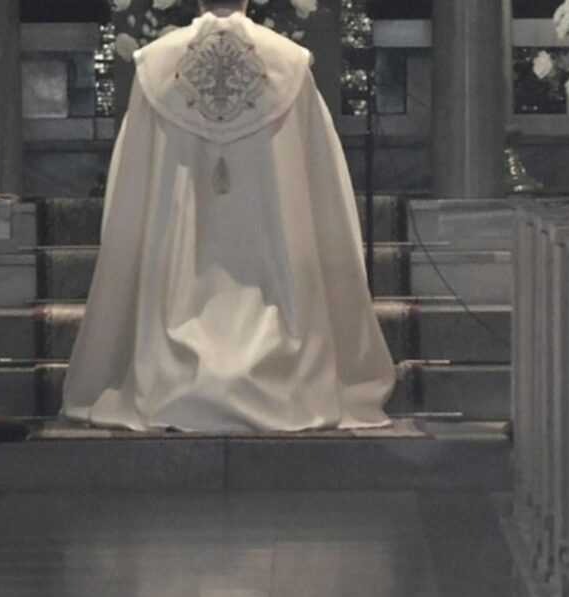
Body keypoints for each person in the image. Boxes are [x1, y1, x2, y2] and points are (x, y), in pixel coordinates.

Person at [60, 0, 396, 432]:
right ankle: (279, 373)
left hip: (174, 286)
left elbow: (134, 189)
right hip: (275, 274)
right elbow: (318, 182)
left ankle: (175, 377)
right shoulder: (288, 64)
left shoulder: (157, 66)